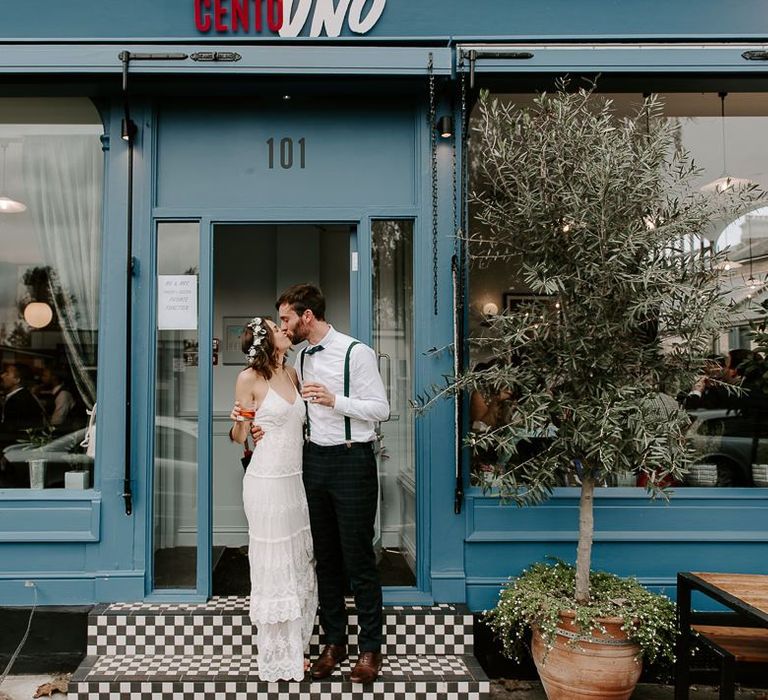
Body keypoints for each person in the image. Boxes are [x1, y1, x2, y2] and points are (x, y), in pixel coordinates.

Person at [270, 283, 390, 684]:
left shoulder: (357, 352)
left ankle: (370, 648)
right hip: (314, 461)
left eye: (287, 318)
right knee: (325, 557)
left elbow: (381, 409)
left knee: (358, 557)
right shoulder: (299, 357)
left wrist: (335, 400)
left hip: (353, 459)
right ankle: (334, 642)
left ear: (307, 316)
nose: (283, 327)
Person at [228, 316, 318, 682]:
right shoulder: (248, 378)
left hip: (295, 481)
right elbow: (239, 437)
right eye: (277, 327)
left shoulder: (293, 374)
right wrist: (239, 420)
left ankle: (297, 645)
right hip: (266, 481)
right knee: (274, 566)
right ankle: (281, 657)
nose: (285, 329)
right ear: (266, 340)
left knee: (298, 563)